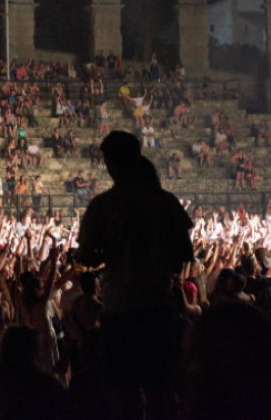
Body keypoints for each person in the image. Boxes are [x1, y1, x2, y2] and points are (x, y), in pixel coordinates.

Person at [77, 130, 193, 420]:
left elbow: (87, 256)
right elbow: (184, 254)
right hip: (158, 304)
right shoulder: (165, 201)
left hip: (119, 308)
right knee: (160, 389)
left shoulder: (102, 206)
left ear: (110, 163)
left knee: (122, 390)